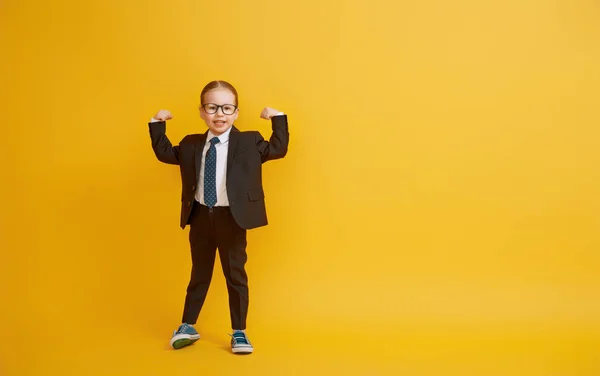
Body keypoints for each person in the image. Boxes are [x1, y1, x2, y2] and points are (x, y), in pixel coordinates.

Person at [147, 80, 289, 354]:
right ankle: (187, 325)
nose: (219, 114)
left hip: (232, 219)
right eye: (212, 108)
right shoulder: (191, 144)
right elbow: (166, 153)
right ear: (201, 112)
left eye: (226, 108)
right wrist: (157, 122)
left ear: (236, 112)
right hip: (200, 216)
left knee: (235, 275)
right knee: (199, 273)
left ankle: (239, 332)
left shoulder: (249, 141)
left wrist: (277, 117)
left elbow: (278, 149)